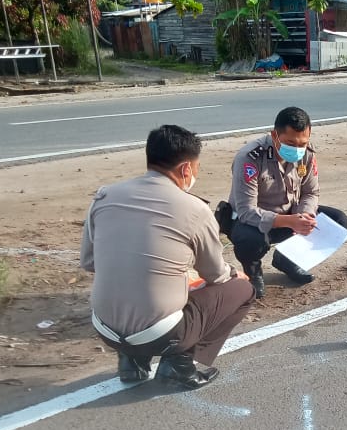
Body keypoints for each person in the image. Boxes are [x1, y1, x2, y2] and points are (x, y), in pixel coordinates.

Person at [80, 125, 255, 389]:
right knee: (243, 288)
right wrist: (233, 273)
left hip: (105, 329)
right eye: (196, 169)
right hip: (160, 334)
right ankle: (180, 364)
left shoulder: (105, 196)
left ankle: (132, 362)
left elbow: (89, 263)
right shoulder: (194, 208)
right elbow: (215, 274)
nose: (196, 174)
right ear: (186, 169)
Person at [225, 106, 347, 298]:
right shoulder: (250, 158)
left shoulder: (306, 154)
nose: (298, 149)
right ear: (275, 135)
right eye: (291, 143)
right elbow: (246, 211)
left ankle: (288, 260)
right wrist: (290, 221)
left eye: (303, 143)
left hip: (291, 214)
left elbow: (311, 192)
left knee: (338, 221)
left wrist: (305, 216)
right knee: (249, 240)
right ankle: (254, 272)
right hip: (253, 221)